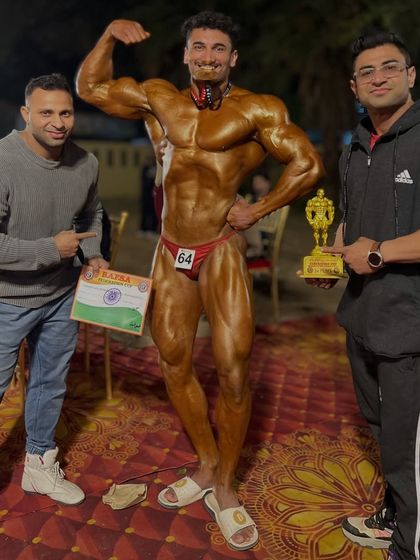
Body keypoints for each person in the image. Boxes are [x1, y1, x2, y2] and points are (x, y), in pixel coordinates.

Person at [76, 11, 323, 550]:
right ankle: (207, 465)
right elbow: (91, 88)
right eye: (199, 47)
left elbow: (306, 164)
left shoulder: (257, 109)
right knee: (173, 360)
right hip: (170, 249)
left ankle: (227, 487)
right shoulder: (158, 98)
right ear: (187, 54)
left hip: (221, 248)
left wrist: (257, 209)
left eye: (218, 48)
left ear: (233, 58)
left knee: (233, 370)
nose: (208, 56)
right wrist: (108, 34)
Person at [307, 31, 420, 560]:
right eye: (366, 72)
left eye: (389, 67)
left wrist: (378, 254)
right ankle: (396, 515)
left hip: (410, 326)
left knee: (409, 447)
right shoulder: (356, 146)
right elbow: (349, 220)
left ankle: (409, 546)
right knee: (382, 432)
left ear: (411, 75)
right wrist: (333, 259)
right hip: (361, 318)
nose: (378, 78)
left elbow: (375, 248)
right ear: (354, 87)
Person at [0, 73, 108, 505]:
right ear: (26, 113)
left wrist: (92, 254)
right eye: (46, 112)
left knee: (50, 383)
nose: (58, 122)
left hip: (62, 295)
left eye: (65, 112)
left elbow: (91, 214)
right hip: (6, 298)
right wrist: (51, 248)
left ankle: (39, 465)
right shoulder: (3, 160)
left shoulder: (86, 163)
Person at [243, 173, 272, 258]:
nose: (256, 185)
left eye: (259, 182)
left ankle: (256, 249)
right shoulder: (250, 199)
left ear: (267, 183)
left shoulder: (273, 200)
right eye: (255, 182)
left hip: (263, 231)